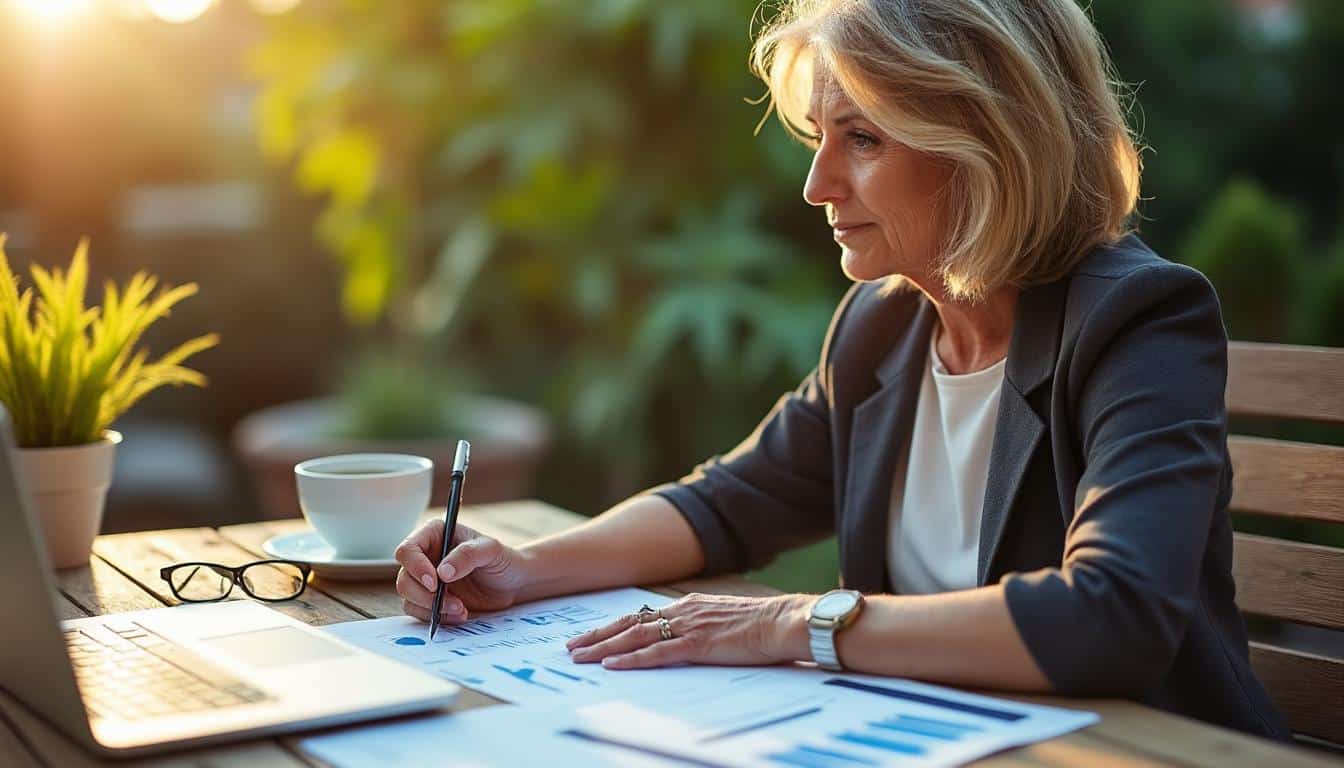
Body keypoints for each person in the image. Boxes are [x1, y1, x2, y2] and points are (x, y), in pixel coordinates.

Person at [395, 0, 1288, 740]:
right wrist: (525, 568)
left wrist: (795, 621)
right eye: (820, 136)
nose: (817, 184)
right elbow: (727, 503)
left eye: (862, 138)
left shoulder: (1139, 320)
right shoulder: (883, 324)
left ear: (986, 144)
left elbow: (1115, 612)